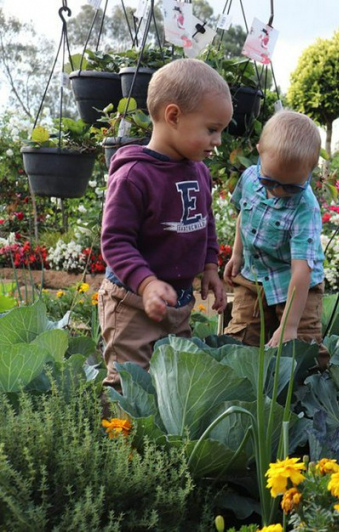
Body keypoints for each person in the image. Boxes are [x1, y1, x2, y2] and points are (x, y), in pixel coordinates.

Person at [99, 58, 231, 390]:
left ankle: (161, 444)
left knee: (174, 383)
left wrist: (211, 266)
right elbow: (115, 242)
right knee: (128, 385)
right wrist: (146, 285)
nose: (217, 141)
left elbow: (205, 221)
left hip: (178, 304)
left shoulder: (198, 169)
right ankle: (120, 442)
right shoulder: (133, 176)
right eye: (212, 129)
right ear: (173, 116)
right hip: (131, 303)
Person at [223, 110, 328, 365]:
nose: (279, 191)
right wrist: (237, 254)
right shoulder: (249, 178)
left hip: (296, 285)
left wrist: (290, 325)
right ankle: (245, 392)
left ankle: (306, 398)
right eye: (269, 181)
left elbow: (301, 271)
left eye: (291, 186)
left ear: (310, 170)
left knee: (301, 348)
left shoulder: (306, 207)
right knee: (242, 338)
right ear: (259, 151)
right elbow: (243, 217)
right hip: (254, 277)